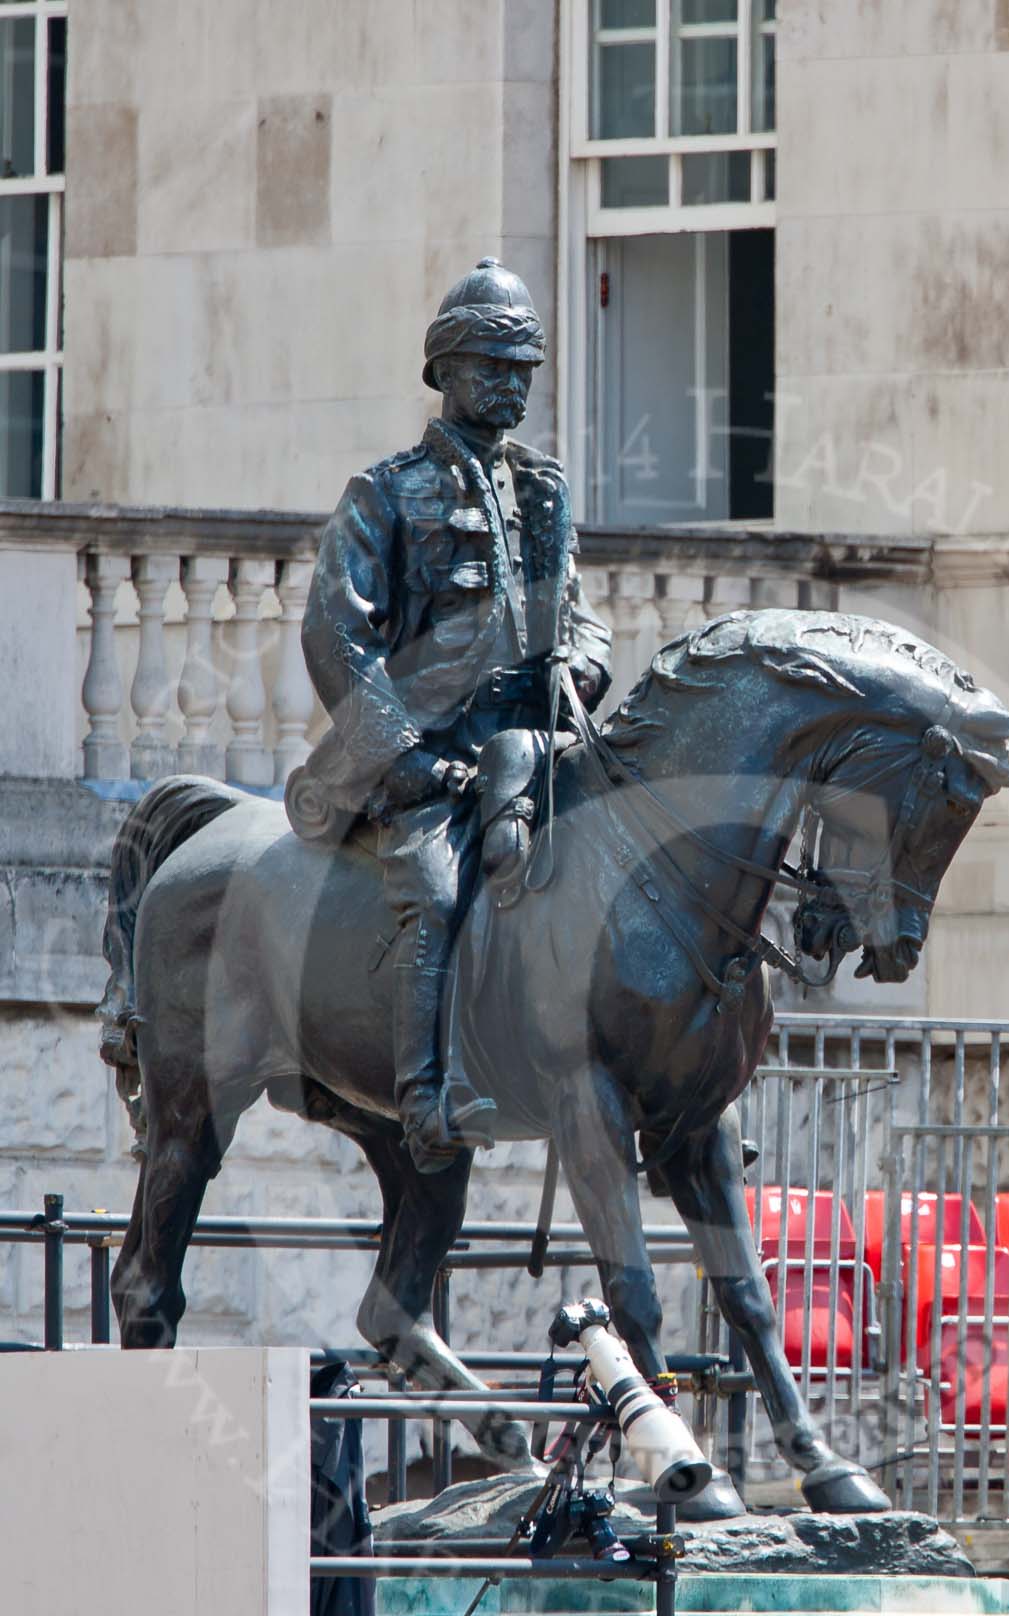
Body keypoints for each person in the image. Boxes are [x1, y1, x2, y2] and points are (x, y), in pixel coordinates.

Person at [289, 258, 611, 1167]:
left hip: (531, 751)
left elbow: (578, 611)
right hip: (433, 763)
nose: (511, 385)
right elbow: (336, 634)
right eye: (494, 366)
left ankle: (666, 1092)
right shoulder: (386, 492)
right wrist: (402, 759)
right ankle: (426, 1096)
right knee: (435, 894)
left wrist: (582, 665)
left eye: (524, 370)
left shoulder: (544, 489)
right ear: (446, 371)